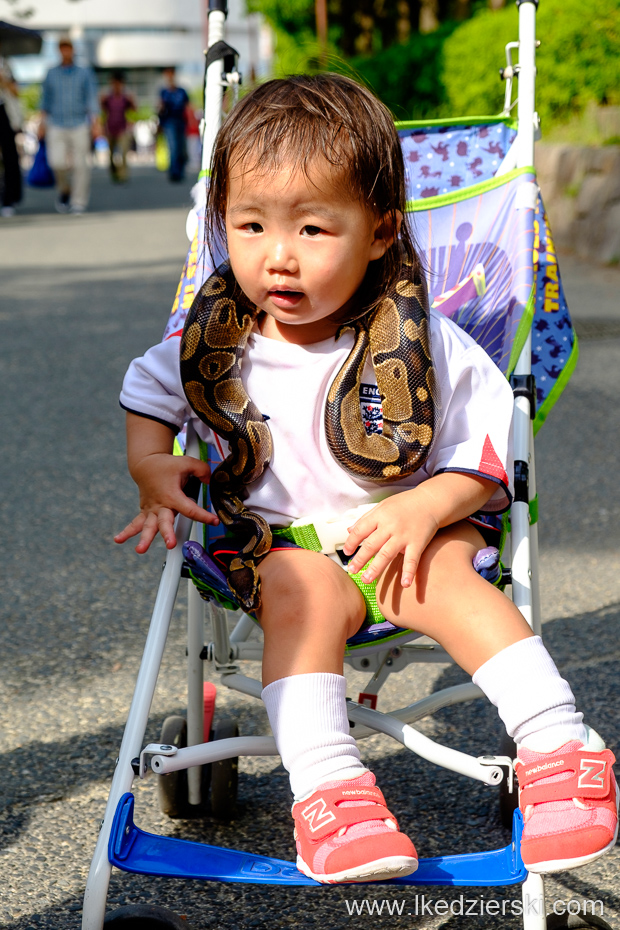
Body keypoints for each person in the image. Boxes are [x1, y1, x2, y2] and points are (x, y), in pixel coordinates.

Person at [116, 75, 618, 885]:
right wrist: (149, 464)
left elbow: (491, 455)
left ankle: (560, 743)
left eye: (314, 228)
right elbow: (147, 390)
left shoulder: (426, 338)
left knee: (445, 573)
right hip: (282, 546)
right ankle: (330, 789)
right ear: (221, 227)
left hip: (412, 532)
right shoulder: (217, 338)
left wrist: (429, 504)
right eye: (249, 226)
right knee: (297, 589)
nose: (278, 255)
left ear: (380, 233)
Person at [39, 37, 98, 214]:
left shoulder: (84, 72)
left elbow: (91, 98)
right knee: (56, 162)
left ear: (73, 50)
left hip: (79, 122)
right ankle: (64, 189)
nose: (66, 51)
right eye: (62, 48)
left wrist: (96, 123)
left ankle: (78, 201)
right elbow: (45, 100)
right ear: (59, 50)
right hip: (56, 123)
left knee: (81, 164)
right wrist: (41, 123)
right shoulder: (51, 73)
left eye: (68, 48)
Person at [100, 71, 136, 183]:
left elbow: (134, 110)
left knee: (123, 152)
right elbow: (101, 110)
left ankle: (123, 175)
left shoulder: (125, 97)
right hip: (110, 129)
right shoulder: (108, 97)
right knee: (111, 155)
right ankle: (114, 172)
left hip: (123, 129)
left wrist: (132, 100)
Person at [157, 66, 189, 183]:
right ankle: (174, 172)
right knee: (173, 147)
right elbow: (160, 108)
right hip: (169, 122)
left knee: (181, 148)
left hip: (181, 121)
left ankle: (180, 170)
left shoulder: (181, 91)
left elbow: (187, 107)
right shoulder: (164, 92)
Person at [0, 65, 23, 217]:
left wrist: (4, 81)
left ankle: (9, 199)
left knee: (10, 158)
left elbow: (16, 92)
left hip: (4, 113)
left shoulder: (5, 66)